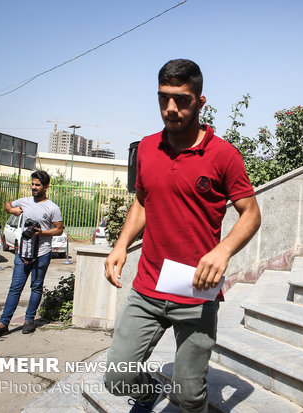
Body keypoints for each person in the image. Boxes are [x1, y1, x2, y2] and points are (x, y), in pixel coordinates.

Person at [103, 59, 261, 413]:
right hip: (148, 287)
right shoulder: (146, 148)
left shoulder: (224, 155)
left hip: (195, 291)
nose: (170, 109)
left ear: (201, 102)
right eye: (164, 99)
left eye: (182, 100)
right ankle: (146, 394)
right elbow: (142, 202)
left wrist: (223, 251)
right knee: (117, 377)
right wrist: (120, 245)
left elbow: (251, 213)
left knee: (189, 396)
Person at [0, 170, 63, 337]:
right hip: (23, 252)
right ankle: (3, 323)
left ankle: (29, 320)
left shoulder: (52, 207)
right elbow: (7, 204)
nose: (33, 187)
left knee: (36, 287)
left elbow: (59, 230)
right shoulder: (25, 201)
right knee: (15, 288)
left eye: (37, 185)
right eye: (32, 184)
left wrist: (41, 232)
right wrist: (12, 211)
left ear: (46, 187)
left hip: (42, 253)